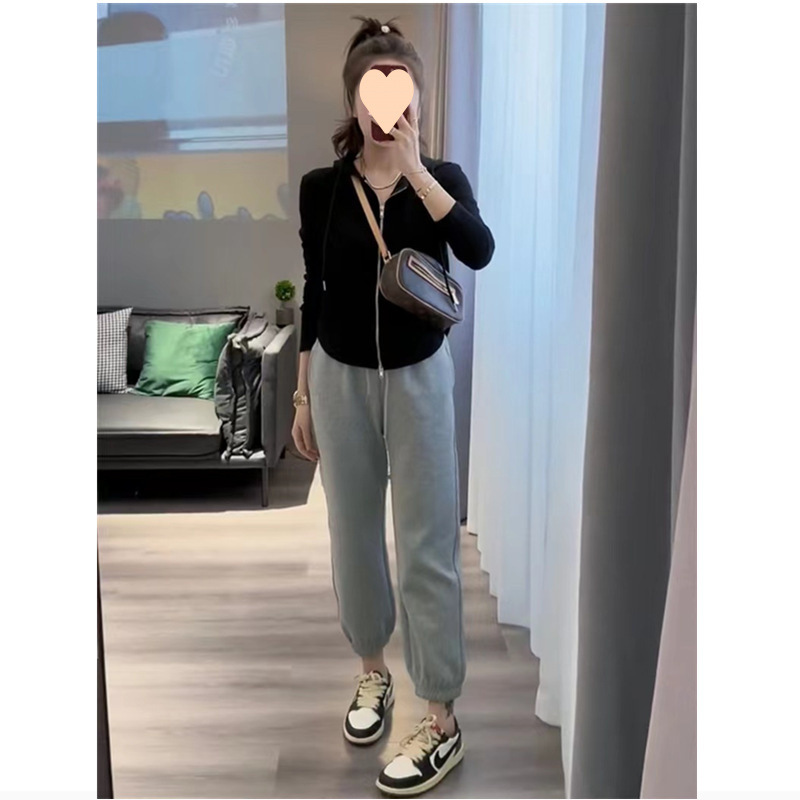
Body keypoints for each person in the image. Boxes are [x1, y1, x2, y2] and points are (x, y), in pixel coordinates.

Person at [291, 16, 495, 797]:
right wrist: (303, 393)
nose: (387, 107)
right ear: (353, 98)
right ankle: (372, 671)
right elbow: (314, 294)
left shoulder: (442, 178)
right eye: (373, 92)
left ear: (417, 96)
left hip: (419, 379)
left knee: (426, 544)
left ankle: (441, 716)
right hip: (338, 378)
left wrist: (415, 171)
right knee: (351, 535)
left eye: (401, 91)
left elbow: (478, 250)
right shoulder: (322, 189)